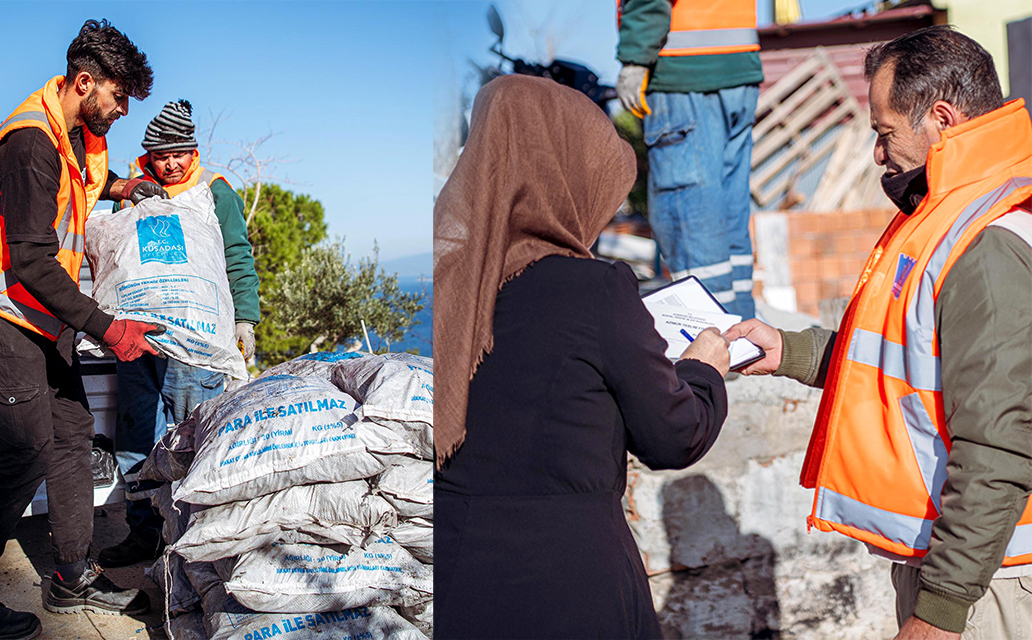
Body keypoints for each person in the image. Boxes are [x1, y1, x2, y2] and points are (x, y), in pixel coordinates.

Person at [726, 26, 1032, 640]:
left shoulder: (985, 239)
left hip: (987, 582)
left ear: (941, 119)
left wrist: (941, 611)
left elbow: (998, 444)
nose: (877, 154)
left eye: (884, 132)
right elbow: (904, 356)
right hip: (966, 569)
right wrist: (795, 350)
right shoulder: (945, 213)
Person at [433, 74, 733, 639]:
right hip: (571, 587)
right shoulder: (593, 290)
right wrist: (704, 368)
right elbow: (673, 435)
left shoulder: (444, 281)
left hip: (453, 581)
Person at [0, 19, 171, 640]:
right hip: (2, 307)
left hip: (44, 312)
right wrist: (109, 328)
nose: (121, 112)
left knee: (71, 435)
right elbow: (31, 259)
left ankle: (70, 576)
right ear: (85, 82)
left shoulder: (80, 138)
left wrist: (129, 188)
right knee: (25, 448)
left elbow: (84, 191)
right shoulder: (30, 143)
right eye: (119, 98)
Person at [98, 99, 261, 568]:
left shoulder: (215, 191)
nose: (170, 164)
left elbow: (237, 255)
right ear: (148, 156)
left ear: (194, 152)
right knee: (136, 439)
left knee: (194, 439)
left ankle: (196, 540)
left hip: (196, 345)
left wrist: (243, 318)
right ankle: (144, 533)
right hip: (137, 338)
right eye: (160, 156)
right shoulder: (132, 189)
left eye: (179, 154)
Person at [616, 0, 763, 319]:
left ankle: (712, 343)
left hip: (684, 75)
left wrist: (635, 56)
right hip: (739, 68)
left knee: (688, 218)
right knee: (727, 213)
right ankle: (741, 335)